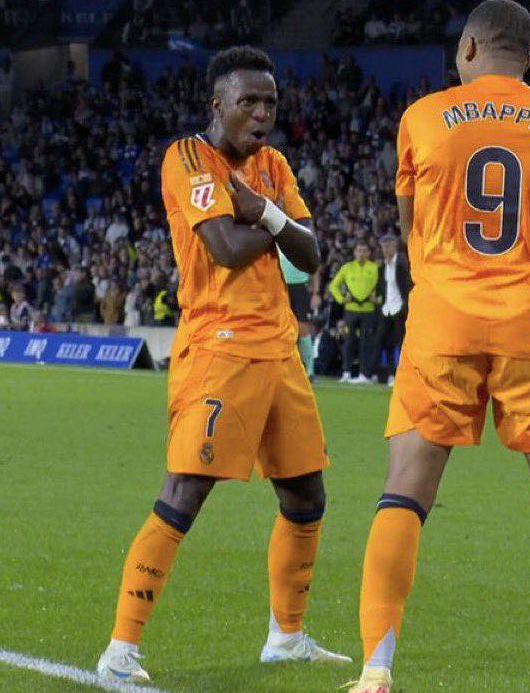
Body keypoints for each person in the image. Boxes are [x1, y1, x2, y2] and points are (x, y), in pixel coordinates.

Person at [347, 0, 530, 693]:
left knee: (404, 492)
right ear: (529, 57)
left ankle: (376, 666)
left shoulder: (422, 117)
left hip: (443, 323)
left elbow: (411, 222)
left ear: (467, 48)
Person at [96, 46, 350, 684]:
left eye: (270, 102)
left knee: (305, 494)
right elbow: (226, 247)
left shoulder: (273, 166)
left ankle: (287, 637)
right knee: (185, 492)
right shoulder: (188, 157)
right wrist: (277, 223)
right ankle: (120, 650)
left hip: (279, 349)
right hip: (219, 348)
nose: (261, 113)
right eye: (248, 102)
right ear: (218, 104)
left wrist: (263, 210)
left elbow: (311, 256)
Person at [329, 240, 380, 383]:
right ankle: (346, 372)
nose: (361, 253)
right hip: (351, 309)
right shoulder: (347, 267)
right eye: (359, 250)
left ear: (369, 253)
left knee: (366, 343)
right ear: (355, 252)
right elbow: (333, 286)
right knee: (349, 342)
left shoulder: (375, 268)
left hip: (368, 309)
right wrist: (342, 299)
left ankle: (364, 374)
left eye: (364, 250)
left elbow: (383, 286)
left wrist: (378, 298)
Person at [373, 234, 410, 385]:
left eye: (389, 246)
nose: (386, 249)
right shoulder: (382, 266)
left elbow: (407, 285)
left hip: (399, 308)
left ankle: (400, 376)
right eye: (384, 247)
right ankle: (385, 374)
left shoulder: (402, 263)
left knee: (400, 343)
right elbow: (383, 286)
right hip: (386, 308)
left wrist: (406, 306)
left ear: (395, 246)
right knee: (381, 341)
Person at [279, 247, 319, 379]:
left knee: (303, 329)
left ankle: (309, 371)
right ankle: (282, 368)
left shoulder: (301, 239)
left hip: (300, 286)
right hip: (279, 285)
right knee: (279, 327)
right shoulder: (273, 239)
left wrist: (316, 293)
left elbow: (315, 266)